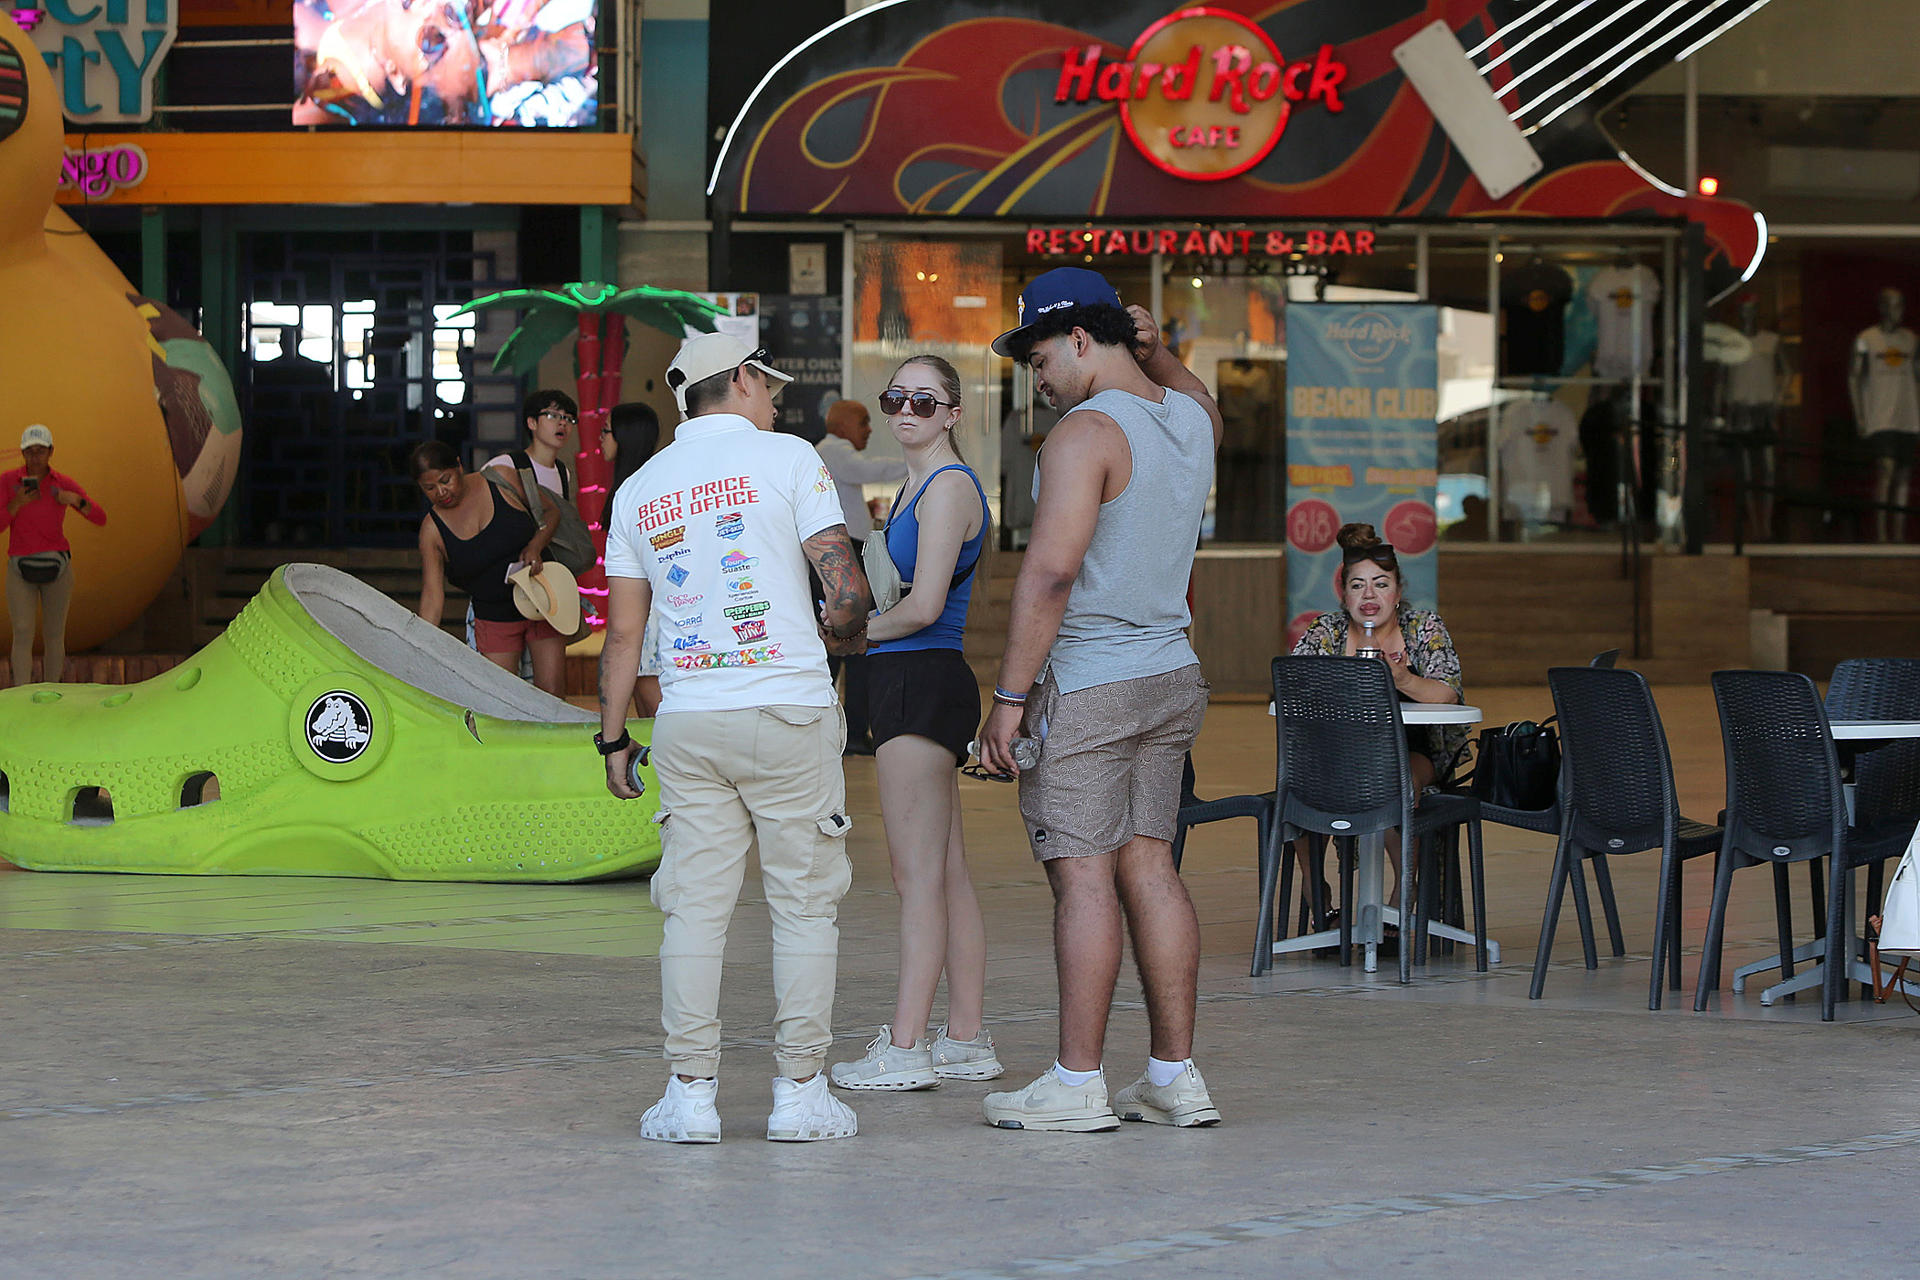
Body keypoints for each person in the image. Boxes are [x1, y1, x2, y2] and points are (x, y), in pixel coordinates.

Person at [598, 333, 873, 1145]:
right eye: (770, 385)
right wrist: (837, 640)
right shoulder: (790, 460)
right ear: (743, 379)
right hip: (788, 709)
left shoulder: (639, 488)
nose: (777, 401)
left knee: (693, 912)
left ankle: (689, 1096)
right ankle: (799, 1093)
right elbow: (846, 591)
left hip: (688, 721)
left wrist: (613, 739)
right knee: (803, 907)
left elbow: (621, 637)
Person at [976, 268, 1223, 1133]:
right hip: (1169, 678)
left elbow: (1049, 572)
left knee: (1082, 880)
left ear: (1081, 339)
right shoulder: (1190, 421)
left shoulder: (1083, 435)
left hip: (1089, 685)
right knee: (1150, 866)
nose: (1034, 379)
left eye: (1039, 357)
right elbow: (1191, 387)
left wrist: (1009, 698)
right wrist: (1163, 352)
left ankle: (1078, 1083)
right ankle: (1173, 1076)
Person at [828, 356, 1003, 1092]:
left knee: (917, 876)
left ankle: (906, 1047)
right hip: (912, 679)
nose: (906, 411)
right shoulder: (916, 485)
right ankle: (965, 1036)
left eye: (924, 402)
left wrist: (850, 637)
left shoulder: (948, 487)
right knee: (945, 870)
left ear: (954, 413)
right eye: (895, 398)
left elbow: (927, 605)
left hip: (917, 678)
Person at [1290, 523, 1467, 913]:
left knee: (1393, 781)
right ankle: (1316, 886)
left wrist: (1402, 677)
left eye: (1381, 584)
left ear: (1398, 592)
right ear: (1344, 594)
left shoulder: (1423, 628)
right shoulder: (1327, 631)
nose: (1369, 595)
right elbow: (1295, 688)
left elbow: (1447, 692)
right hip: (1336, 752)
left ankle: (1404, 891)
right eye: (1357, 585)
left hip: (1412, 750)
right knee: (1303, 785)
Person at [409, 440, 564, 696]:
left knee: (553, 694)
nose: (441, 492)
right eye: (429, 488)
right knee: (500, 698)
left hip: (541, 599)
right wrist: (422, 644)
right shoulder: (431, 530)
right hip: (493, 616)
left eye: (445, 480)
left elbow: (551, 512)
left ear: (459, 465)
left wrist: (536, 545)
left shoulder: (500, 479)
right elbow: (433, 595)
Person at [814, 397, 908, 754]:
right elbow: (870, 471)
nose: (870, 429)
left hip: (847, 552)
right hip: (842, 556)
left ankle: (850, 731)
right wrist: (917, 462)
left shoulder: (831, 454)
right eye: (864, 421)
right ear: (841, 426)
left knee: (849, 646)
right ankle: (848, 732)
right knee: (847, 644)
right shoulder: (833, 450)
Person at [2, 424, 106, 686]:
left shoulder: (62, 483)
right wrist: (15, 505)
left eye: (40, 451)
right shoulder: (7, 481)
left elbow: (99, 517)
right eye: (29, 451)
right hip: (20, 566)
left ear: (51, 452)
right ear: (23, 454)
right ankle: (23, 693)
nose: (35, 457)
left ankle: (52, 691)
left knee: (54, 634)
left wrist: (74, 501)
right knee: (23, 631)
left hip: (57, 565)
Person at [603, 401, 664, 717]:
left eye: (606, 432)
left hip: (649, 611)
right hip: (641, 610)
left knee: (655, 712)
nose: (601, 439)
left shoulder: (638, 489)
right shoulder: (638, 484)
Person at [1849, 287, 1920, 543]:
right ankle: (1881, 535)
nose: (1898, 310)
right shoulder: (1866, 338)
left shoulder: (1911, 339)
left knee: (1903, 475)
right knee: (1886, 470)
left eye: (1901, 304)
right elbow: (1853, 377)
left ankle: (1898, 536)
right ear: (1882, 307)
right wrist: (1860, 416)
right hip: (1880, 417)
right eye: (1893, 304)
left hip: (1908, 417)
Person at [485, 388, 577, 502]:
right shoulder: (506, 465)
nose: (563, 423)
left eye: (568, 418)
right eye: (552, 416)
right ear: (532, 423)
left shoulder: (563, 472)